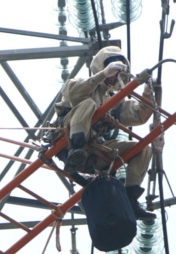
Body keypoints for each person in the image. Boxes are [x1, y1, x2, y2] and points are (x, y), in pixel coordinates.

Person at [58, 45, 158, 222]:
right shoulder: (82, 84)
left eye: (118, 69)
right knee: (89, 104)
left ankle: (130, 199)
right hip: (69, 141)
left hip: (94, 152)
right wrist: (102, 75)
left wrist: (149, 92)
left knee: (143, 149)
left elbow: (139, 115)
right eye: (111, 66)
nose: (114, 74)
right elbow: (74, 93)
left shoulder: (115, 101)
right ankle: (76, 148)